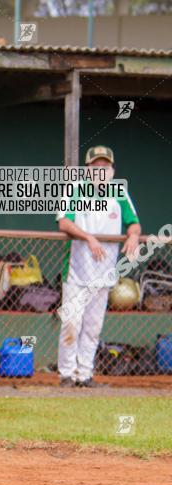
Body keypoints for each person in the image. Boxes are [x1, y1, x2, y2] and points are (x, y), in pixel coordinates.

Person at [56, 145, 141, 388]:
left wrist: (134, 236)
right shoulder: (75, 189)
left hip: (104, 273)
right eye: (96, 167)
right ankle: (67, 374)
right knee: (71, 324)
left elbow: (133, 223)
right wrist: (89, 237)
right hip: (76, 270)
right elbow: (63, 222)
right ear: (87, 169)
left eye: (105, 167)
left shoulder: (119, 192)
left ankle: (85, 374)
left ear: (112, 171)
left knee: (93, 327)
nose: (101, 171)